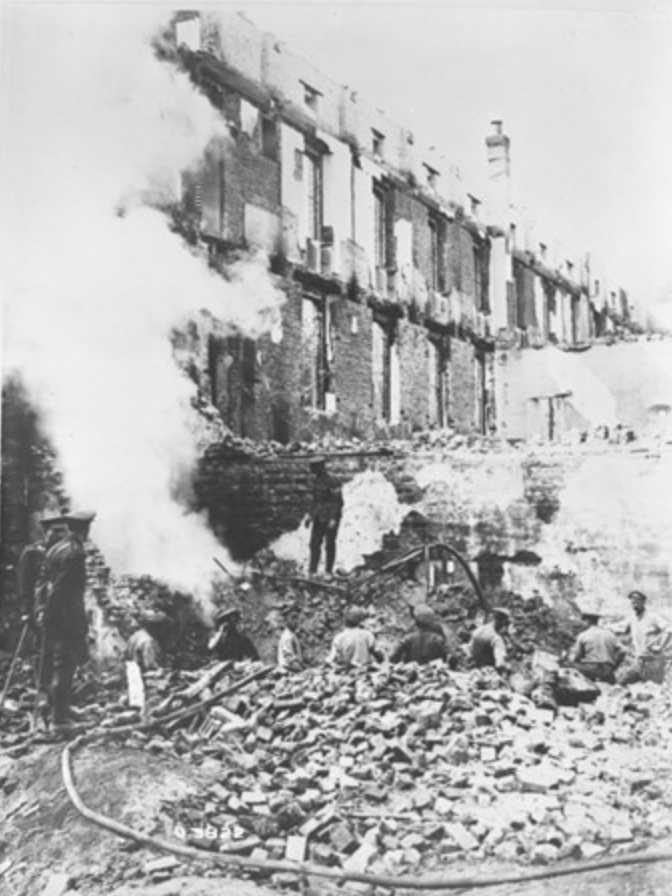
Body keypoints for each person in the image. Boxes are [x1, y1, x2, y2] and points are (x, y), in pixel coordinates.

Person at [35, 510, 96, 732]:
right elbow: (62, 591)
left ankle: (61, 708)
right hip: (66, 619)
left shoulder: (55, 548)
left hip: (52, 617)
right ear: (85, 528)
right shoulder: (75, 553)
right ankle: (59, 720)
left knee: (53, 665)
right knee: (65, 667)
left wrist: (41, 610)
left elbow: (42, 583)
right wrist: (74, 623)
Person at [17, 513, 65, 627]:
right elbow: (24, 583)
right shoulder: (32, 553)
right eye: (55, 531)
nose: (60, 535)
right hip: (37, 606)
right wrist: (26, 611)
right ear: (46, 532)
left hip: (58, 609)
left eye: (62, 531)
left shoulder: (62, 553)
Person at [617, 591, 671, 685]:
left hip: (653, 661)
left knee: (653, 691)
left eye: (638, 601)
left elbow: (669, 629)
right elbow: (621, 628)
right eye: (633, 602)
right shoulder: (632, 617)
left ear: (643, 602)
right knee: (621, 684)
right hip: (639, 661)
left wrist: (661, 646)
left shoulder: (652, 616)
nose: (635, 604)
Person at [306, 457, 343, 577]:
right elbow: (315, 501)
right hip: (318, 517)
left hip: (330, 518)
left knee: (329, 544)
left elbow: (338, 502)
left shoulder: (333, 481)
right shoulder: (316, 481)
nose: (312, 470)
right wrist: (310, 516)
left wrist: (333, 518)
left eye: (314, 468)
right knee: (314, 544)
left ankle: (328, 571)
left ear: (321, 467)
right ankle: (312, 571)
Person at [567, 609, 626, 684]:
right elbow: (623, 651)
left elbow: (576, 657)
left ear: (587, 621)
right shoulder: (609, 634)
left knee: (569, 665)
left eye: (583, 621)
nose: (582, 624)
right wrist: (614, 666)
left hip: (589, 669)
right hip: (607, 669)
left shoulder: (583, 635)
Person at [470, 607, 511, 673]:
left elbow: (470, 650)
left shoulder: (478, 630)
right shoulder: (496, 639)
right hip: (490, 673)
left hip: (475, 671)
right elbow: (500, 664)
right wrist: (508, 668)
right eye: (506, 624)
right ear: (503, 622)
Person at [277, 608, 304, 672]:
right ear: (286, 621)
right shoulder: (287, 636)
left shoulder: (292, 634)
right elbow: (289, 658)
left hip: (294, 667)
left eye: (296, 618)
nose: (295, 621)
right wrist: (301, 670)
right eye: (292, 618)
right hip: (288, 669)